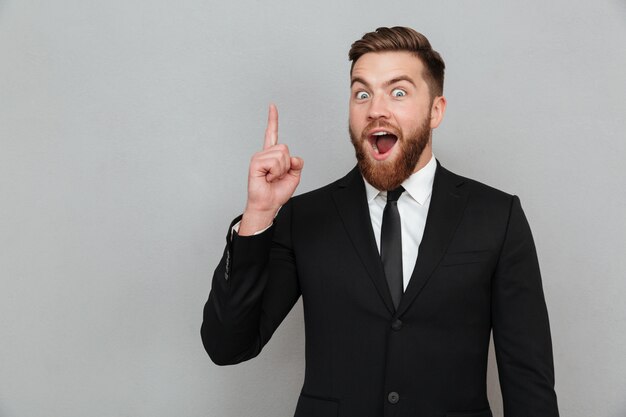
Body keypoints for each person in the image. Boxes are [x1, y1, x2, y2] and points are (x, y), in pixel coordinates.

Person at [202, 26, 559, 417]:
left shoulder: (496, 216)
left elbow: (528, 381)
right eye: (362, 93)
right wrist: (257, 217)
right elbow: (227, 345)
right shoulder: (304, 218)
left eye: (399, 92)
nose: (375, 109)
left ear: (435, 110)